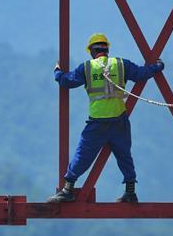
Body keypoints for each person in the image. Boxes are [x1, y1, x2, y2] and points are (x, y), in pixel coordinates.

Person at [48, 32, 164, 203]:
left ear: (91, 51)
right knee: (124, 154)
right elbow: (141, 74)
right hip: (119, 120)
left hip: (97, 122)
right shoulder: (121, 64)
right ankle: (130, 192)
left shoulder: (87, 67)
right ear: (107, 49)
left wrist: (57, 72)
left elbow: (67, 82)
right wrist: (158, 66)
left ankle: (68, 189)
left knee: (83, 154)